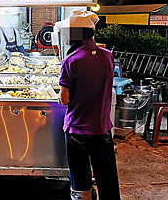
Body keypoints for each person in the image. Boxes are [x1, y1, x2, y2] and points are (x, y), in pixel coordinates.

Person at [58, 12, 120, 200]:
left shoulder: (70, 60)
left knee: (80, 176)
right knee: (107, 176)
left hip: (77, 129)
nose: (65, 35)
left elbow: (64, 99)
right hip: (102, 128)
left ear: (76, 34)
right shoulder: (107, 56)